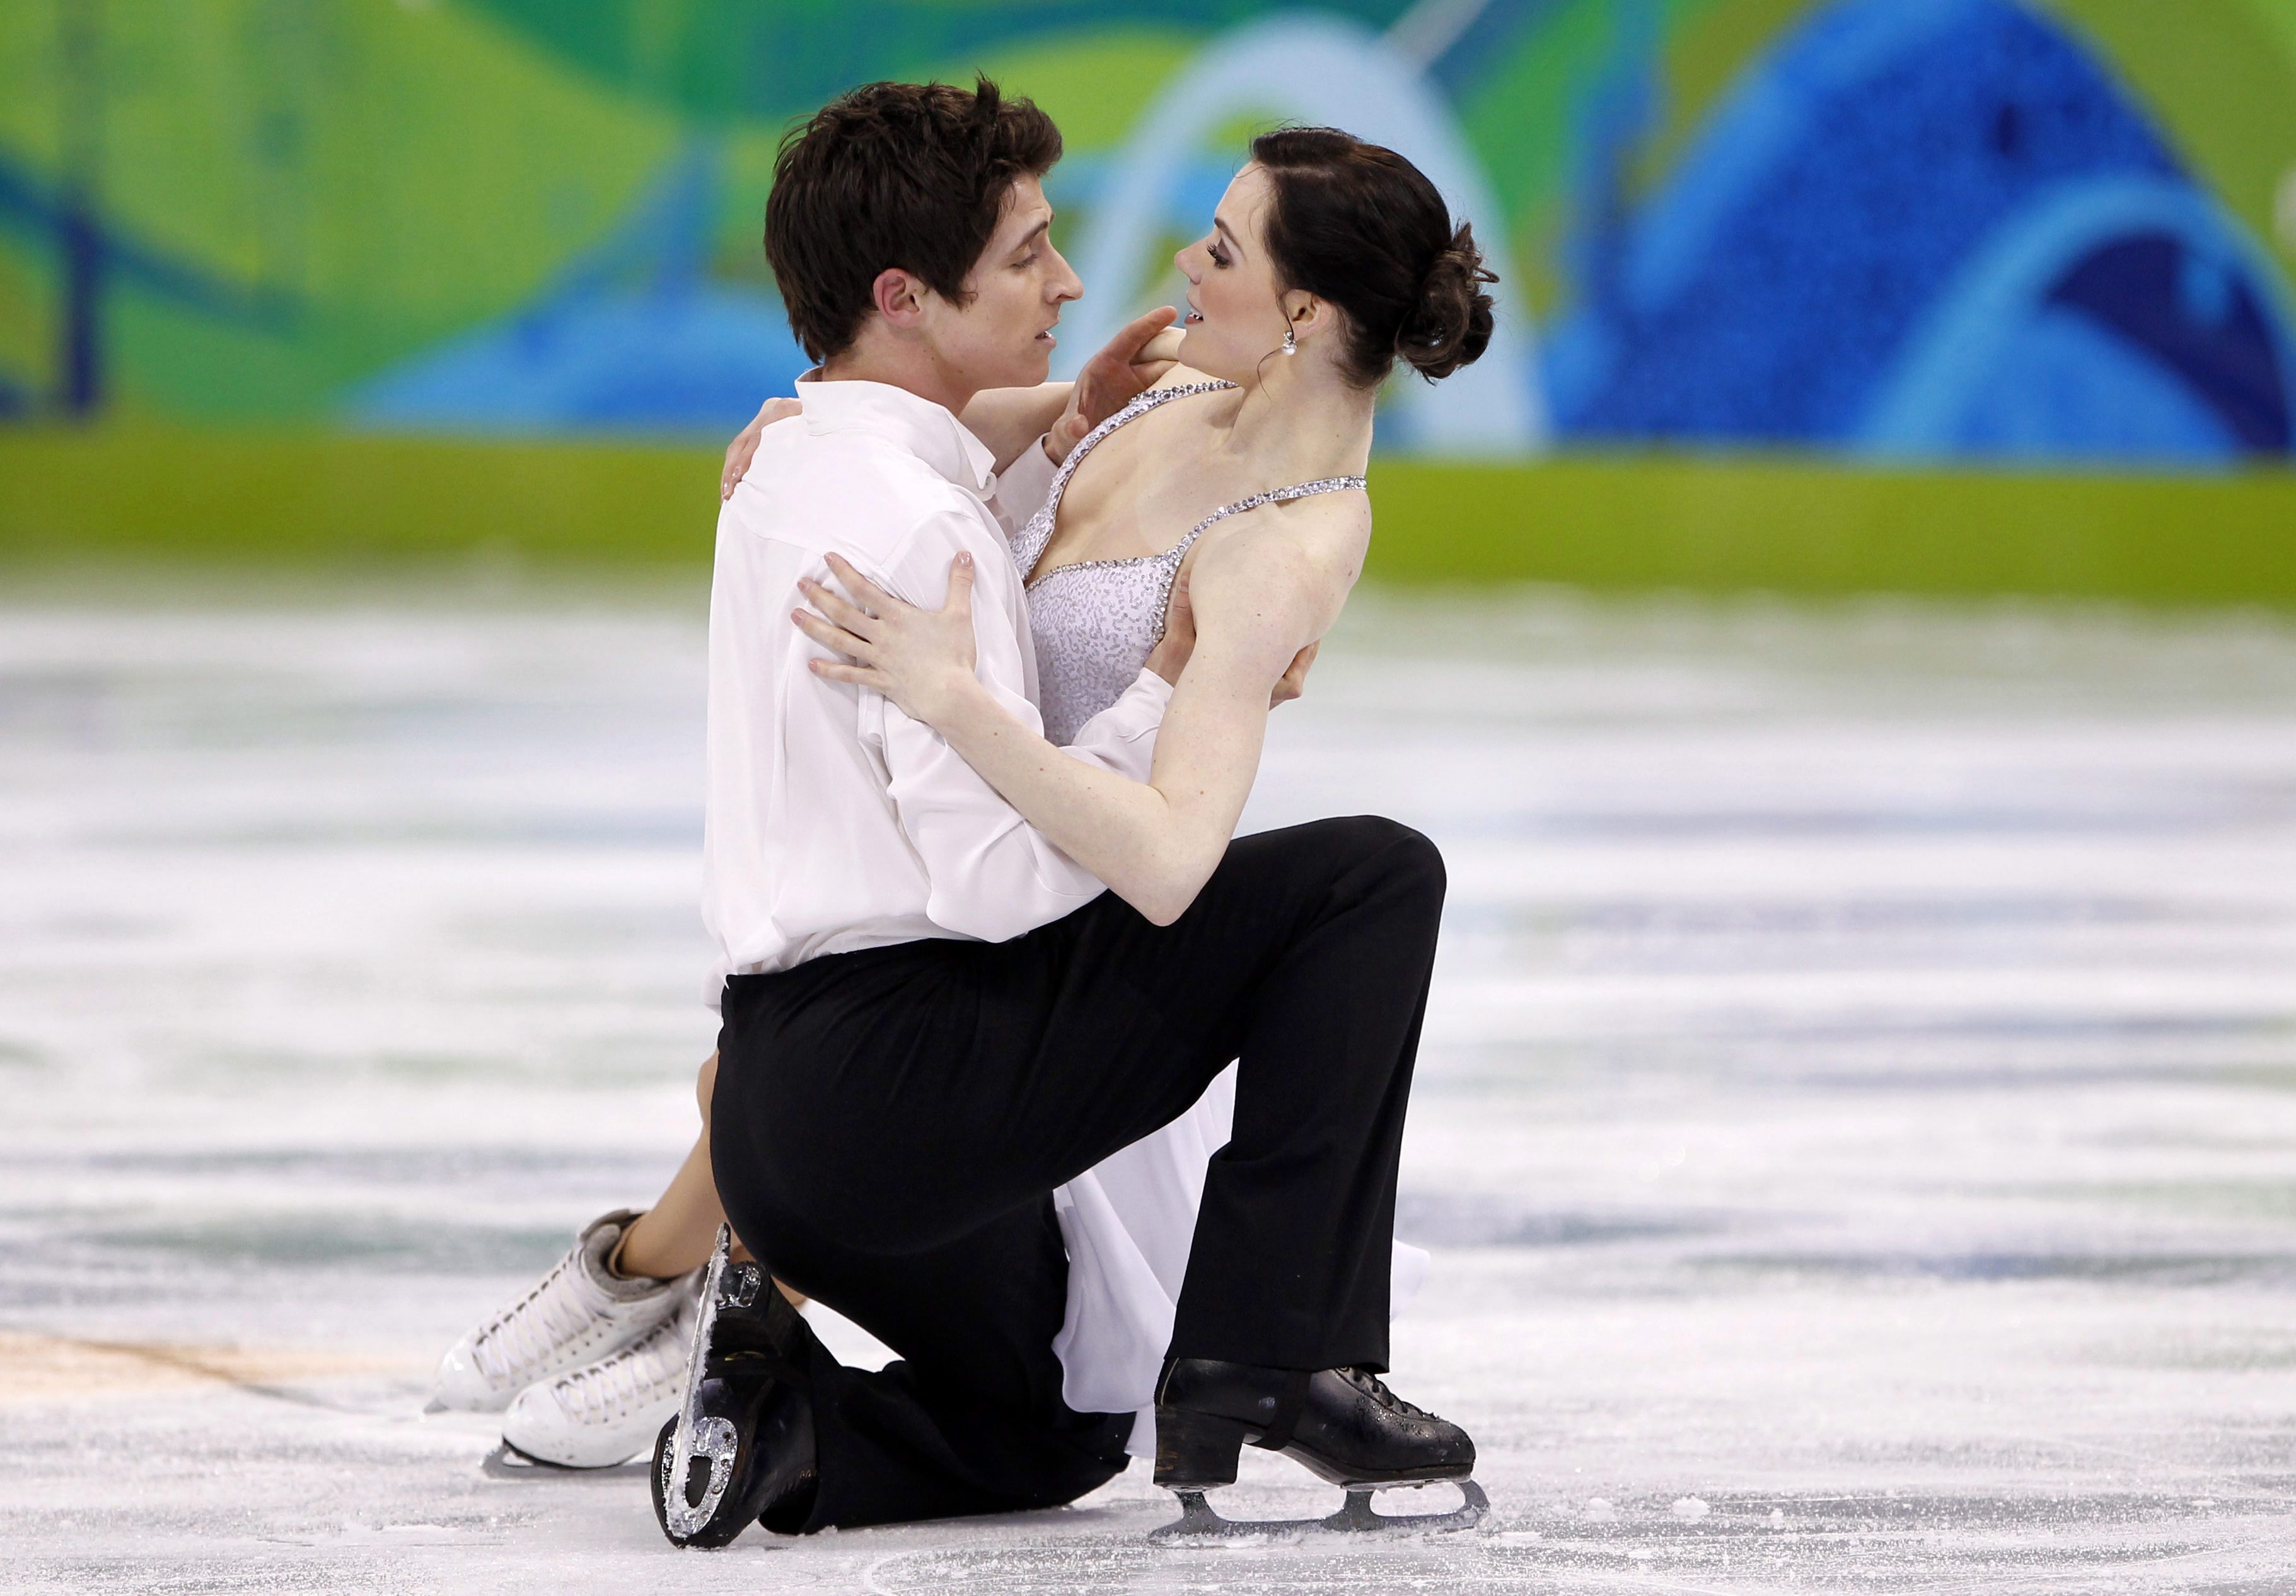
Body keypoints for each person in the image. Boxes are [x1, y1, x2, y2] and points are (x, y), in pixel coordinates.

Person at [654, 80, 1494, 1546]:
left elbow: (1163, 863)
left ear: (1299, 314)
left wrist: (832, 455)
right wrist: (834, 428)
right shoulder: (1169, 371)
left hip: (829, 1069)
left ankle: (790, 1425)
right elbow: (967, 421)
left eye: (1220, 248)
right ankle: (1280, 1354)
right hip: (939, 1019)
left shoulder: (1283, 545)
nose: (1161, 269)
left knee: (1059, 1424)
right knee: (1375, 884)